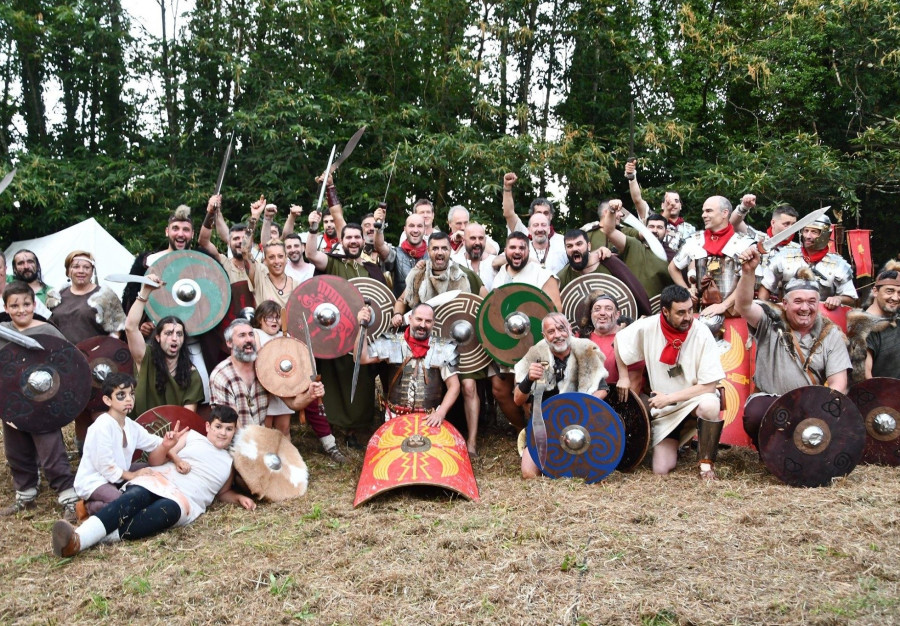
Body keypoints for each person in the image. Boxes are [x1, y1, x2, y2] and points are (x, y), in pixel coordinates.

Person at [51, 404, 256, 558]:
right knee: (135, 497)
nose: (222, 432)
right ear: (208, 426)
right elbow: (155, 460)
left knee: (164, 512)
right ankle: (79, 537)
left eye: (228, 429)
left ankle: (85, 538)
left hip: (185, 499)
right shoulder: (192, 437)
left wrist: (238, 498)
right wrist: (167, 446)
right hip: (162, 479)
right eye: (218, 426)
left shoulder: (230, 462)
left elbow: (223, 493)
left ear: (234, 431)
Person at [735, 247, 851, 445]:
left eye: (811, 302)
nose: (805, 308)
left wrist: (822, 410)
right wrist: (748, 272)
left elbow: (838, 384)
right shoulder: (769, 322)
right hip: (771, 401)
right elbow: (743, 306)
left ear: (818, 304)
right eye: (798, 301)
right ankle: (770, 448)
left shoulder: (831, 334)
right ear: (784, 304)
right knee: (756, 413)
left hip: (811, 406)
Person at [614, 285, 726, 479]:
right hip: (665, 411)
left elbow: (709, 386)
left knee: (710, 405)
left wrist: (669, 398)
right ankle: (679, 444)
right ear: (665, 311)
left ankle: (706, 467)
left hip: (693, 400)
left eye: (690, 310)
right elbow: (620, 340)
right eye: (681, 312)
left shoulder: (702, 333)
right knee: (661, 468)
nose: (688, 317)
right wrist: (623, 376)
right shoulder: (649, 326)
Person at [392, 232, 486, 454]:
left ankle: (471, 441)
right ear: (429, 250)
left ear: (450, 250)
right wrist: (398, 314)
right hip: (428, 341)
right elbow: (402, 301)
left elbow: (486, 302)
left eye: (444, 248)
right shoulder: (417, 276)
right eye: (435, 248)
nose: (439, 252)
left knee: (468, 386)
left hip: (462, 340)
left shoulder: (464, 276)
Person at [0, 281, 79, 520]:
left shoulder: (47, 331)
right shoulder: (2, 331)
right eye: (14, 305)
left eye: (26, 304)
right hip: (12, 402)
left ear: (35, 304)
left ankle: (69, 498)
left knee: (51, 451)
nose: (21, 309)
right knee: (16, 449)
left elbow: (67, 363)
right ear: (6, 307)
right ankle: (25, 494)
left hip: (44, 402)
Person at [305, 215, 382, 448]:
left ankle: (357, 427)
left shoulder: (371, 268)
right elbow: (310, 254)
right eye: (348, 237)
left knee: (360, 383)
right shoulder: (332, 262)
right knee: (334, 379)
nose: (353, 241)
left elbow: (381, 301)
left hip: (362, 335)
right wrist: (313, 228)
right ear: (342, 240)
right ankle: (334, 425)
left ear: (363, 240)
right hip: (334, 334)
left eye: (357, 237)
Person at [514, 313, 608, 479]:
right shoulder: (535, 354)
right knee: (528, 474)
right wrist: (528, 380)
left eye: (561, 329)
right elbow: (518, 399)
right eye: (551, 332)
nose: (557, 335)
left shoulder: (586, 349)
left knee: (586, 473)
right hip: (545, 427)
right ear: (544, 336)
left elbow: (602, 390)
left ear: (569, 329)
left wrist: (581, 405)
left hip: (582, 425)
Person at [73, 373, 178, 518]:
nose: (129, 399)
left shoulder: (130, 425)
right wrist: (134, 475)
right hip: (96, 479)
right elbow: (105, 466)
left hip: (120, 472)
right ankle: (87, 507)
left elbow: (157, 443)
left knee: (154, 470)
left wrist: (176, 457)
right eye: (121, 395)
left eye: (132, 394)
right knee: (122, 504)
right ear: (107, 400)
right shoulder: (102, 426)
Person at [359, 303, 460, 427]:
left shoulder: (443, 348)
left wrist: (441, 413)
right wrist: (362, 326)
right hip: (395, 416)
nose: (423, 325)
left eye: (428, 321)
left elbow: (454, 386)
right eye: (419, 319)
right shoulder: (392, 342)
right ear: (410, 319)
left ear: (433, 323)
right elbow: (362, 358)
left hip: (429, 418)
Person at [126, 273, 204, 417]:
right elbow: (131, 327)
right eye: (168, 333)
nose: (174, 338)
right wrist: (145, 292)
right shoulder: (146, 358)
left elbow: (187, 416)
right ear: (157, 338)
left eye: (179, 334)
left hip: (175, 433)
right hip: (141, 432)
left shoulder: (191, 374)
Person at [668, 195, 755, 317]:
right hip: (701, 313)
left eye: (708, 211)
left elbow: (749, 281)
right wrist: (687, 291)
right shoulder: (694, 240)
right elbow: (673, 268)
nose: (703, 215)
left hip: (735, 315)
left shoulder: (744, 243)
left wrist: (723, 305)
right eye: (703, 211)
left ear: (725, 213)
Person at [759, 213, 858, 309]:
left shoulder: (839, 264)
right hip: (788, 319)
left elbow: (851, 298)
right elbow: (766, 287)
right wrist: (765, 313)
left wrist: (838, 299)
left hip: (823, 319)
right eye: (806, 231)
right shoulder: (783, 257)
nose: (808, 236)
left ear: (824, 234)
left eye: (814, 232)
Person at [597, 200, 673, 298]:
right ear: (644, 229)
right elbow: (609, 231)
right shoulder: (633, 245)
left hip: (658, 309)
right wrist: (612, 210)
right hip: (630, 306)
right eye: (651, 226)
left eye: (659, 227)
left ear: (666, 232)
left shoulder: (672, 256)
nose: (654, 230)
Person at [51, 250, 125, 345]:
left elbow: (117, 330)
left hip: (95, 355)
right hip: (62, 355)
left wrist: (105, 350)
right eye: (76, 267)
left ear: (92, 271)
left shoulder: (105, 295)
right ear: (68, 271)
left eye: (86, 267)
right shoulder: (57, 296)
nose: (81, 271)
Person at [209, 319, 269, 430]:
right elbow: (231, 424)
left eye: (251, 334)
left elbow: (292, 403)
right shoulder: (221, 376)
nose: (249, 339)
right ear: (229, 343)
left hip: (261, 438)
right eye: (242, 335)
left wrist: (308, 395)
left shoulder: (263, 367)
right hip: (235, 443)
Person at [502, 173, 568, 273]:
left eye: (546, 213)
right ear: (532, 216)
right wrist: (507, 187)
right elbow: (508, 213)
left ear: (551, 216)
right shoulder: (522, 234)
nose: (542, 216)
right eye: (538, 212)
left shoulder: (563, 241)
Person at [578, 291, 644, 391]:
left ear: (617, 314)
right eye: (597, 309)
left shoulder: (629, 339)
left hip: (616, 402)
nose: (602, 313)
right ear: (591, 314)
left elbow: (635, 382)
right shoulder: (580, 337)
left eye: (608, 309)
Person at [729, 198, 800, 290]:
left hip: (778, 299)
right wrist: (743, 207)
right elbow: (734, 223)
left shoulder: (798, 250)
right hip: (747, 294)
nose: (791, 228)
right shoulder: (756, 237)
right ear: (773, 223)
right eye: (786, 224)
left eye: (793, 224)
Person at [626, 159, 696, 250]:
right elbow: (637, 200)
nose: (672, 203)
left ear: (681, 206)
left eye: (676, 201)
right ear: (662, 205)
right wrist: (632, 177)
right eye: (668, 200)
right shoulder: (651, 219)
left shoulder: (690, 229)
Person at [197, 194, 255, 286]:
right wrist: (211, 213)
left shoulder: (260, 266)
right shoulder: (223, 263)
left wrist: (257, 216)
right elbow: (203, 242)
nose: (240, 241)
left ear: (251, 242)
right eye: (236, 238)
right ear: (229, 243)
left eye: (244, 238)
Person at [374, 209, 427, 298]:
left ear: (425, 230)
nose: (415, 230)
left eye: (419, 226)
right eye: (411, 226)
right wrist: (379, 225)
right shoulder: (395, 253)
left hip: (428, 310)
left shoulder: (433, 254)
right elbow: (379, 246)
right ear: (405, 229)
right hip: (400, 310)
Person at [861, 264, 900, 379]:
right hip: (881, 394)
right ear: (875, 291)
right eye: (890, 291)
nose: (895, 297)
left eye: (899, 293)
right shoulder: (864, 326)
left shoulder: (896, 320)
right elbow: (864, 375)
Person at [451, 223, 498, 291]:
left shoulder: (494, 263)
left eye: (481, 238)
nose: (477, 242)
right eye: (473, 238)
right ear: (463, 241)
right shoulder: (455, 262)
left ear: (485, 241)